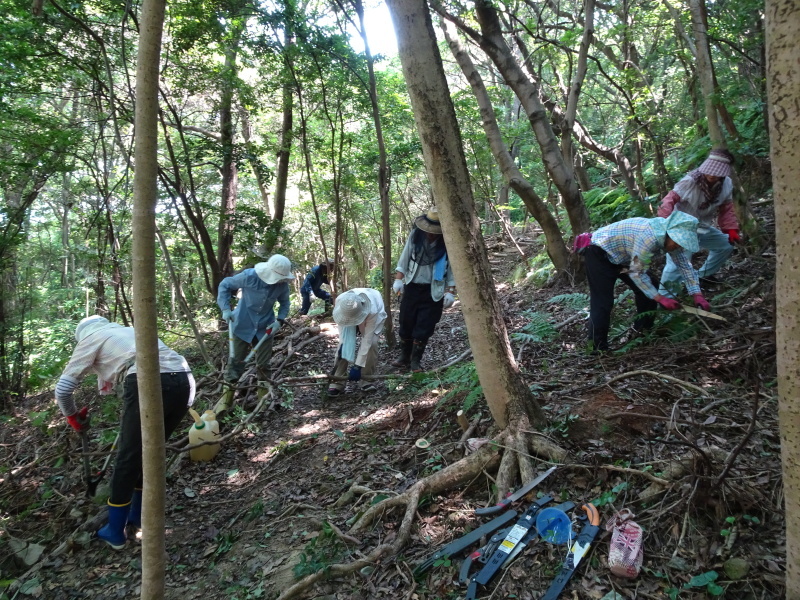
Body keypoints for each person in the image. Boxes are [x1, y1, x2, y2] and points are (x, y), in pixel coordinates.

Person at [56, 315, 195, 550]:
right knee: (148, 453)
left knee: (128, 459)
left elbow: (63, 390)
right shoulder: (126, 331)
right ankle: (138, 518)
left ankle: (115, 531)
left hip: (149, 379)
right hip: (184, 380)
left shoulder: (91, 339)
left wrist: (72, 417)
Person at [582, 211, 709, 353]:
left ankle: (642, 333)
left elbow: (685, 266)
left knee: (650, 288)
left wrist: (697, 293)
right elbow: (637, 273)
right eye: (678, 242)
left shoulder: (671, 239)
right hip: (598, 251)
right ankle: (596, 350)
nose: (678, 246)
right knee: (602, 302)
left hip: (624, 255)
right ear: (670, 233)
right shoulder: (649, 237)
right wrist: (660, 298)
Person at [214, 254, 294, 414]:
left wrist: (280, 320)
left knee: (264, 365)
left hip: (266, 327)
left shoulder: (282, 284)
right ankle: (225, 403)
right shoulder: (249, 276)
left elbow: (285, 303)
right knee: (235, 363)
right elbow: (225, 285)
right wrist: (225, 308)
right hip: (242, 325)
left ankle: (263, 404)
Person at [657, 149, 740, 296]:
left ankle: (703, 276)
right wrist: (664, 225)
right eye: (709, 171)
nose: (711, 175)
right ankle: (665, 300)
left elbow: (726, 208)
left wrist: (731, 229)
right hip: (680, 227)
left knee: (725, 245)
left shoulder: (726, 185)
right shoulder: (690, 181)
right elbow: (668, 200)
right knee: (677, 265)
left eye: (716, 172)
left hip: (702, 227)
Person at [391, 207, 456, 372]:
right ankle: (404, 357)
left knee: (425, 325)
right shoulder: (415, 236)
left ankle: (415, 361)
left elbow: (452, 268)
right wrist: (399, 279)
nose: (431, 233)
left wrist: (450, 290)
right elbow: (404, 258)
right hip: (412, 286)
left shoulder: (447, 242)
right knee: (406, 321)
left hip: (434, 290)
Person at [327, 288, 386, 396]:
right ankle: (337, 381)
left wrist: (357, 366)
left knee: (372, 345)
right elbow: (343, 336)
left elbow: (367, 340)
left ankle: (366, 379)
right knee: (343, 347)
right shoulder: (341, 302)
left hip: (372, 318)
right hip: (349, 315)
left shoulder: (372, 310)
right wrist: (343, 344)